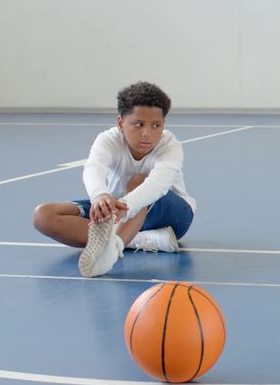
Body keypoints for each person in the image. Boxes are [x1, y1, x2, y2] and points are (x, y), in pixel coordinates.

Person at [32, 81, 196, 277]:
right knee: (44, 216)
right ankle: (136, 239)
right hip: (121, 210)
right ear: (120, 123)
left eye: (156, 125)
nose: (147, 133)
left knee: (139, 181)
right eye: (138, 124)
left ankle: (114, 248)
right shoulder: (108, 139)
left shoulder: (170, 146)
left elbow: (157, 185)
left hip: (172, 217)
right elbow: (94, 168)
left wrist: (123, 206)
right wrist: (100, 197)